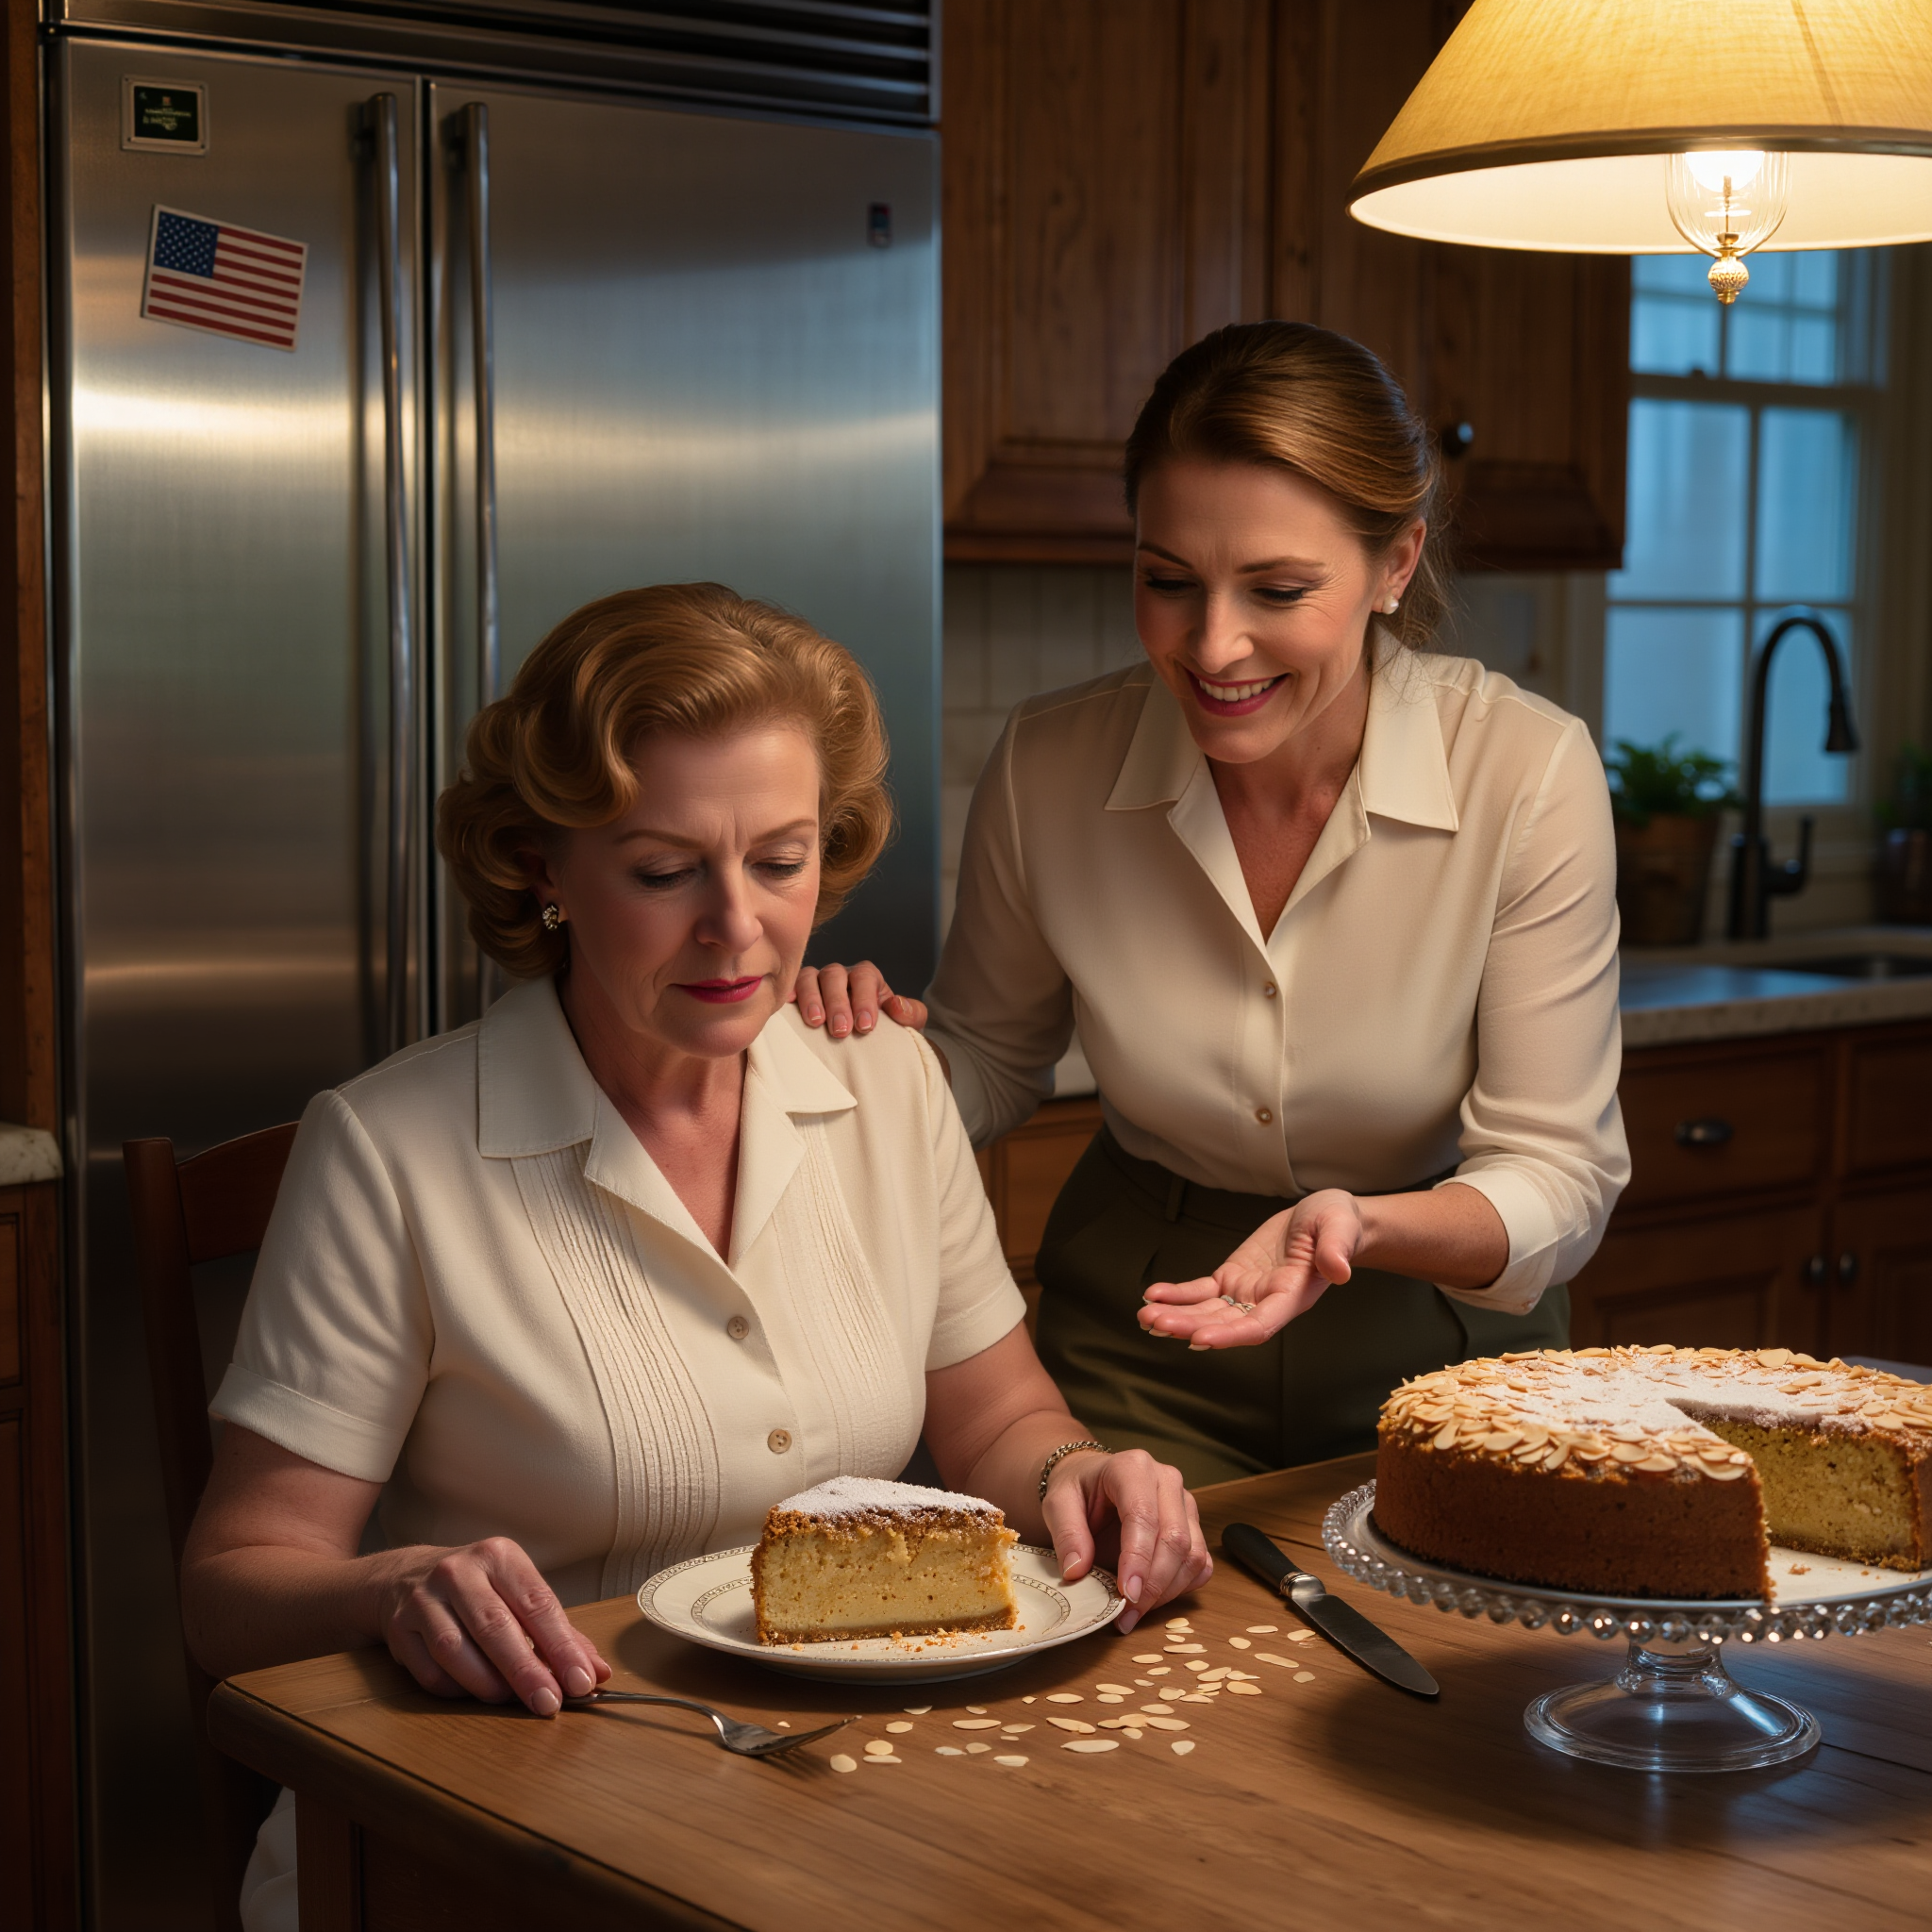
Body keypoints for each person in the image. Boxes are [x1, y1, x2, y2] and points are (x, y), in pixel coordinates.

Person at [182, 584, 1209, 1931]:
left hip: (846, 1801)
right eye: (664, 872)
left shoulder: (890, 1082)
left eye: (780, 862)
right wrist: (391, 1589)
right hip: (491, 1821)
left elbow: (998, 1420)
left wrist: (1081, 1475)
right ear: (542, 867)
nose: (737, 927)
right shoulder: (386, 1149)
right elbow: (232, 1590)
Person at [795, 322, 1630, 1487]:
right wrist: (846, 1049)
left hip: (1439, 1328)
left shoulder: (1523, 770)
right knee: (1120, 1599)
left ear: (1395, 563)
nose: (1212, 645)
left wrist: (1359, 1223)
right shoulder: (1050, 763)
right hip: (1142, 1331)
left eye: (1277, 589)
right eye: (1166, 582)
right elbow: (986, 1057)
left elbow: (1556, 1172)